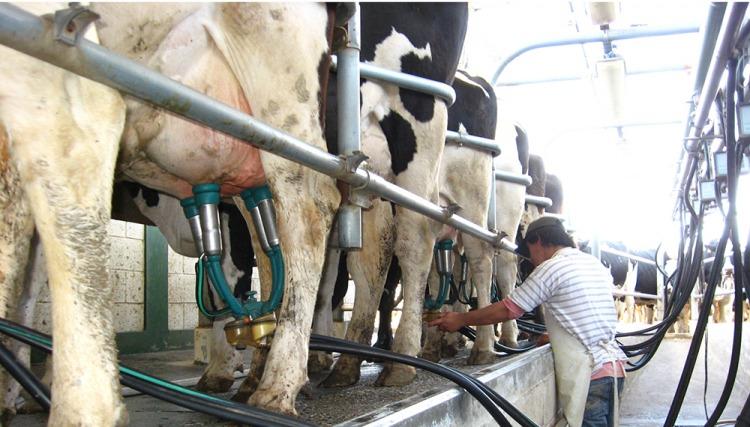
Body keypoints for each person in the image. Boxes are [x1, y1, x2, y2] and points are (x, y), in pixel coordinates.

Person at [430, 216, 628, 427]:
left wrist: (461, 319)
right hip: (614, 368)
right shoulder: (591, 263)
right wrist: (557, 338)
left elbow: (509, 309)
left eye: (530, 251)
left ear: (538, 241)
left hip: (592, 375)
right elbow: (586, 314)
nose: (531, 259)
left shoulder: (552, 268)